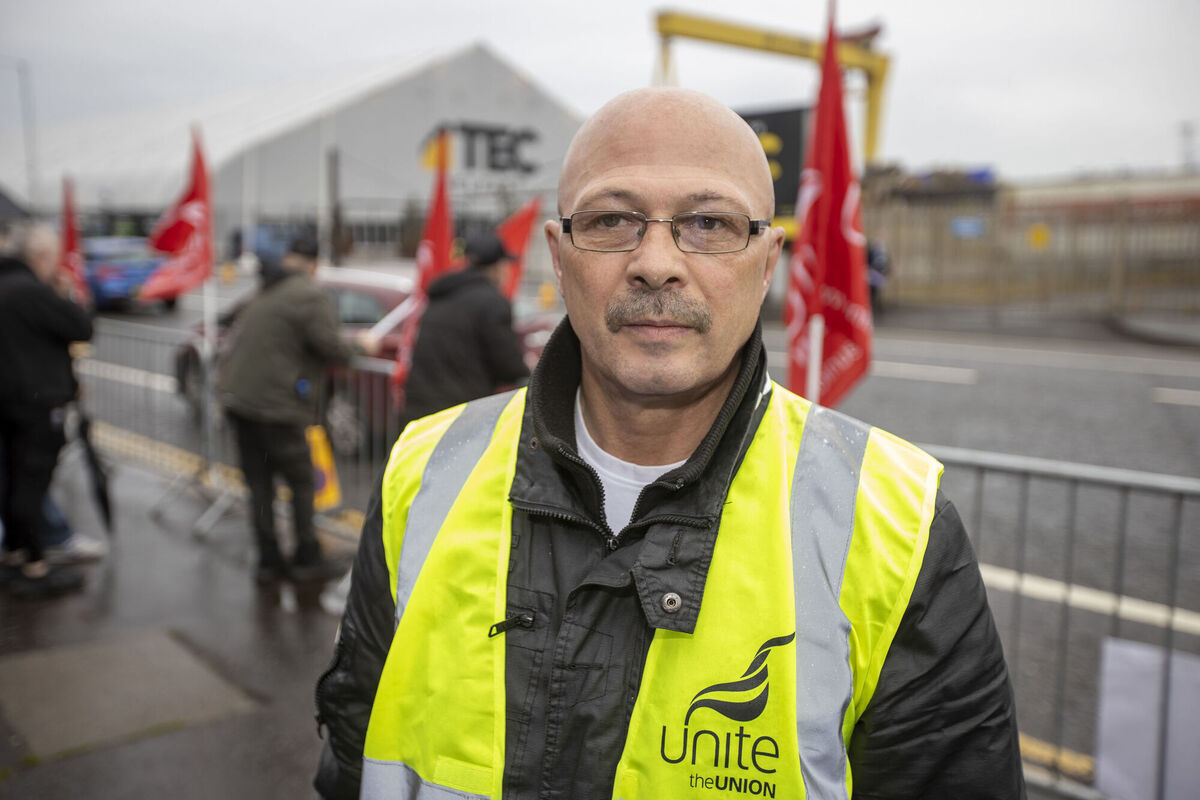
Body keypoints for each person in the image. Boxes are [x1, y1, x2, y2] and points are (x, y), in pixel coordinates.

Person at [313, 88, 1025, 799]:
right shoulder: (422, 471)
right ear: (559, 258)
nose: (656, 261)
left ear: (768, 259)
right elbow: (354, 753)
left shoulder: (897, 525)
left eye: (709, 222)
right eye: (613, 220)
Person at [218, 237, 377, 584]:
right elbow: (331, 345)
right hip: (277, 406)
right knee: (301, 481)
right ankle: (307, 555)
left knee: (259, 484)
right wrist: (362, 344)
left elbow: (230, 321)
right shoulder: (308, 294)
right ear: (314, 263)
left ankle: (268, 560)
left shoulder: (265, 289)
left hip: (241, 400)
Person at [0, 223, 94, 597]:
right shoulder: (31, 292)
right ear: (40, 257)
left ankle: (15, 554)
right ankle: (35, 565)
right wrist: (63, 293)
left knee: (10, 478)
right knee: (32, 482)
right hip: (35, 403)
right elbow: (81, 327)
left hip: (7, 400)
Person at [400, 231, 531, 426]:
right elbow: (507, 365)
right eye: (505, 265)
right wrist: (529, 368)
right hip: (461, 416)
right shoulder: (492, 302)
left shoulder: (441, 295)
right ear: (495, 267)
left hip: (419, 412)